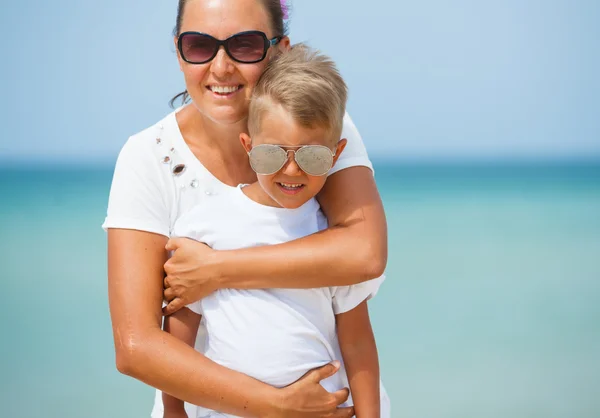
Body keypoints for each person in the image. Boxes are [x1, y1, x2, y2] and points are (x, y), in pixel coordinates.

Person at [104, 0, 388, 416]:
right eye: (200, 45)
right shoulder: (148, 158)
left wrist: (216, 270)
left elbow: (364, 254)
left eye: (246, 45)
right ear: (179, 51)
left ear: (280, 50)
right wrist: (277, 406)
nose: (221, 67)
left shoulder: (322, 126)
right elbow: (137, 346)